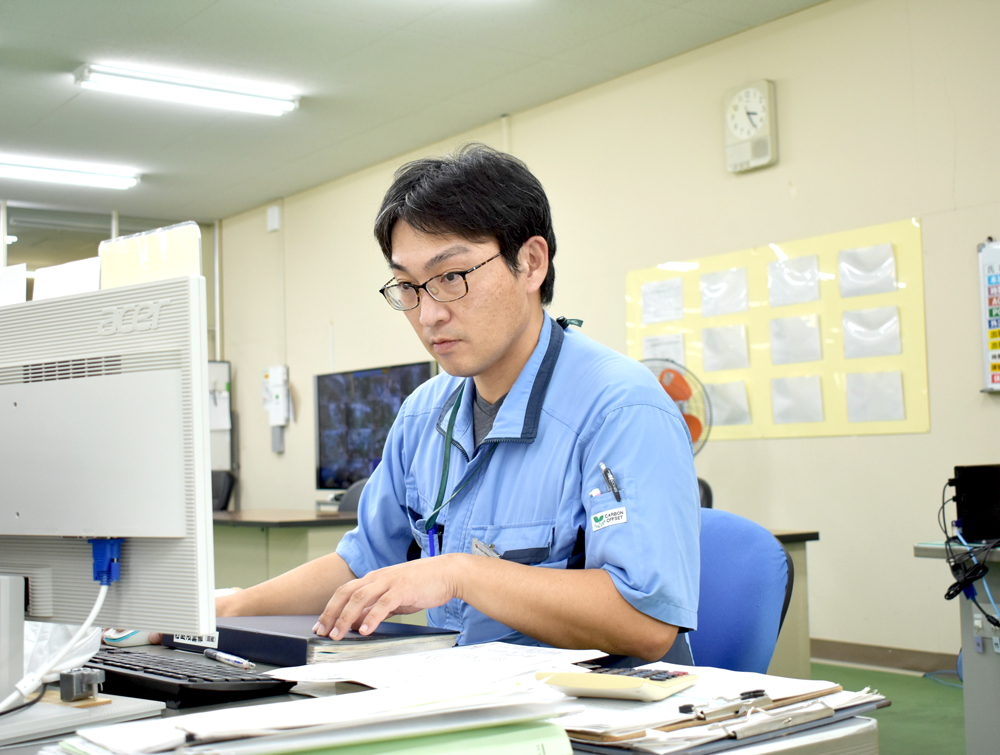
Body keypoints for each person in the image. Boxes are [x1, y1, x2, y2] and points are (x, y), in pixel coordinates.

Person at [217, 144, 700, 662]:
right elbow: (362, 565)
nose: (428, 314)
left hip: (590, 721)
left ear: (531, 263)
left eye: (451, 277)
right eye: (408, 286)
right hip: (462, 697)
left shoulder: (621, 409)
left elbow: (647, 625)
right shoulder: (425, 413)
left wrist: (459, 574)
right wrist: (229, 609)